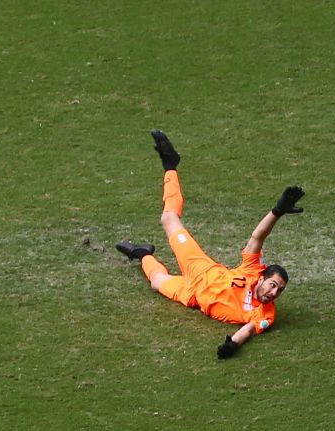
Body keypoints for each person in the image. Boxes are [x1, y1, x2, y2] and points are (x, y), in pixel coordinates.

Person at [116, 130, 304, 359]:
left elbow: (249, 329)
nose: (274, 292)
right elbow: (257, 237)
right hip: (201, 269)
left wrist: (233, 345)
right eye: (273, 285)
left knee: (156, 282)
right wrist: (277, 211)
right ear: (263, 277)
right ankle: (170, 165)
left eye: (279, 290)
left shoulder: (266, 314)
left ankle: (143, 253)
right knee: (168, 219)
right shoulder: (252, 270)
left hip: (194, 296)